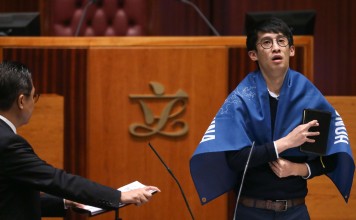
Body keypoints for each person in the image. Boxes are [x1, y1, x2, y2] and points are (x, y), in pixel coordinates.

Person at [190, 17, 354, 220]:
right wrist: (284, 143)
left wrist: (298, 169)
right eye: (266, 43)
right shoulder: (242, 99)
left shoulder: (308, 96)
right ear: (253, 55)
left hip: (295, 212)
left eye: (281, 41)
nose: (276, 48)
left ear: (291, 50)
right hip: (251, 210)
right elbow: (235, 159)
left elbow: (328, 158)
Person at [0, 61, 160, 219]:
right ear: (21, 101)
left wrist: (64, 201)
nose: (34, 102)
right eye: (34, 96)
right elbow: (55, 179)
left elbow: (10, 200)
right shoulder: (8, 143)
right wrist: (119, 197)